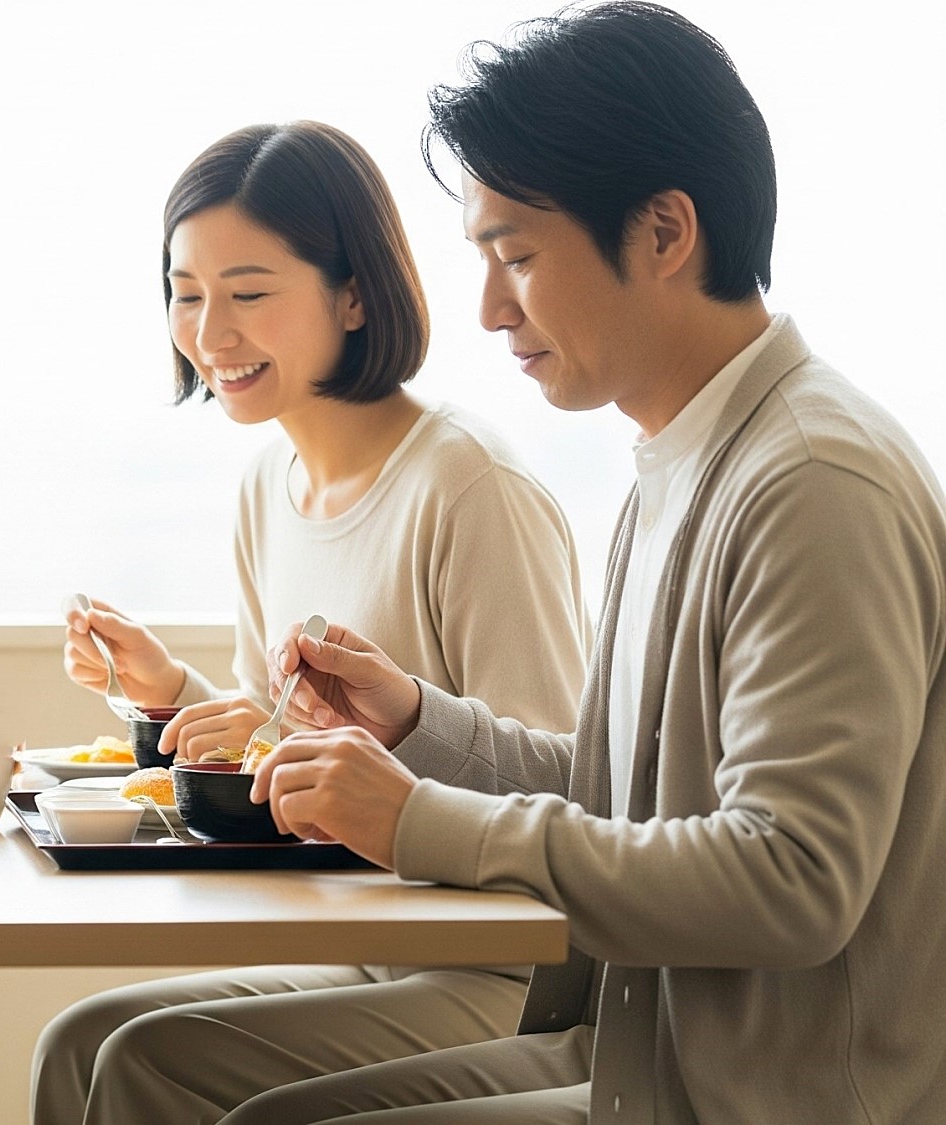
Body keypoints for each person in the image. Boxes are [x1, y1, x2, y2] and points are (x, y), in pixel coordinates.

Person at [234, 4, 946, 1122]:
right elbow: (632, 799)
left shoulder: (812, 483)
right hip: (633, 1055)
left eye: (514, 254)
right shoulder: (684, 456)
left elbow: (791, 880)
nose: (486, 307)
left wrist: (416, 821)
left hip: (760, 1099)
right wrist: (419, 723)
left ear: (664, 233)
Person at [36, 121, 593, 1125]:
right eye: (186, 292)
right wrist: (174, 697)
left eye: (247, 293)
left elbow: (560, 780)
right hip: (370, 937)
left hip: (500, 972)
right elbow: (285, 742)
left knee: (144, 1064)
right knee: (84, 1044)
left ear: (351, 293)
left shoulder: (468, 487)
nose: (209, 332)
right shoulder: (268, 484)